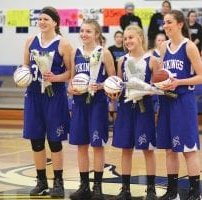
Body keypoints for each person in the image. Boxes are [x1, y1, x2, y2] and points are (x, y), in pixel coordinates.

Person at [22, 6, 72, 198]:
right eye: (40, 19)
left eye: (46, 19)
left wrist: (56, 78)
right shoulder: (30, 41)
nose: (42, 22)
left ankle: (58, 183)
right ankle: (41, 181)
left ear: (55, 22)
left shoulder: (63, 44)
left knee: (55, 141)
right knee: (36, 141)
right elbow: (25, 66)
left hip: (55, 96)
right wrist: (22, 76)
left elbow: (70, 72)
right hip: (33, 95)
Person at [157, 10, 202, 200]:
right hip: (166, 100)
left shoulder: (189, 46)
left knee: (188, 149)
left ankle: (195, 193)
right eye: (164, 23)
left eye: (169, 22)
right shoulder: (163, 47)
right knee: (170, 149)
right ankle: (172, 192)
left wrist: (179, 82)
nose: (166, 26)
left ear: (180, 24)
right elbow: (162, 74)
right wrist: (158, 85)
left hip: (183, 101)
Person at [107, 25, 160, 200]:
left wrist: (145, 89)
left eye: (131, 37)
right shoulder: (121, 61)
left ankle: (151, 189)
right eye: (126, 38)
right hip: (126, 108)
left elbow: (158, 87)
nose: (127, 41)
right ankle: (125, 188)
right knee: (126, 149)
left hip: (144, 108)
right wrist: (113, 92)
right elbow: (118, 85)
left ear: (140, 38)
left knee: (148, 149)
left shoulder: (152, 60)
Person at [68, 19, 115, 200]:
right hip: (79, 103)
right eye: (82, 31)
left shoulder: (105, 53)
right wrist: (71, 88)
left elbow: (114, 82)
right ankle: (84, 186)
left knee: (97, 145)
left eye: (88, 31)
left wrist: (101, 85)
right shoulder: (75, 53)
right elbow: (71, 80)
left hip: (98, 104)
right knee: (81, 145)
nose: (84, 34)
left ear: (96, 34)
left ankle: (97, 188)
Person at [107, 30, 126, 129]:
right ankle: (112, 121)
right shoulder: (110, 49)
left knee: (121, 99)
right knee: (113, 99)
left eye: (121, 37)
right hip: (113, 76)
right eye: (117, 36)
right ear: (115, 38)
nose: (119, 38)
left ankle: (120, 121)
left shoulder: (126, 48)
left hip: (123, 76)